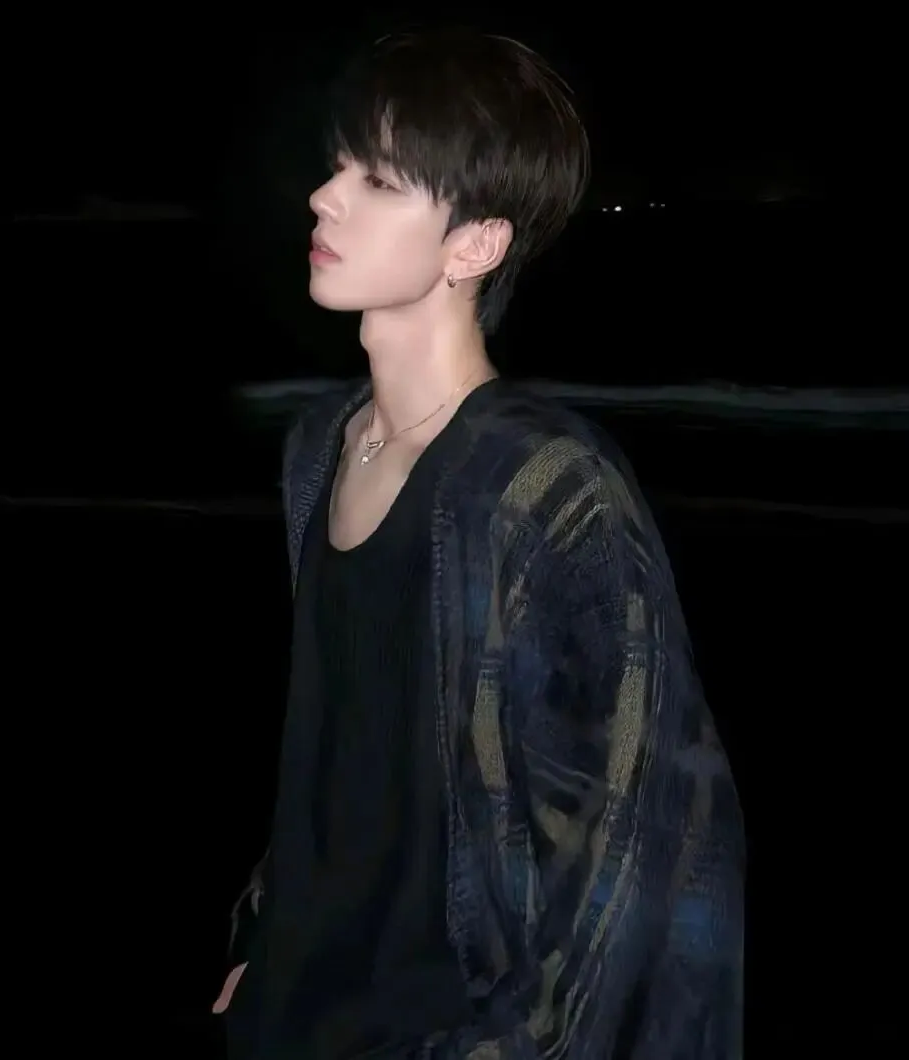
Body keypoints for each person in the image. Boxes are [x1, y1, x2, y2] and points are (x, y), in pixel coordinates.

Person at [215, 26, 744, 1060]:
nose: (325, 197)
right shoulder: (322, 444)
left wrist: (516, 1043)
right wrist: (265, 933)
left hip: (444, 1023)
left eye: (379, 181)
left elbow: (636, 833)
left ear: (475, 247)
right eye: (338, 165)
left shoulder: (546, 485)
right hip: (293, 1004)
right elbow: (343, 739)